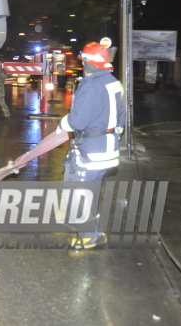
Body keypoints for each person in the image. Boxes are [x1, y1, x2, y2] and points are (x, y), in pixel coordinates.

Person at [57, 42, 125, 248]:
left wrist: (62, 124)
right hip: (107, 150)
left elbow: (77, 121)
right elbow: (121, 117)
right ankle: (95, 231)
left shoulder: (92, 85)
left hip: (90, 152)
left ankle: (87, 237)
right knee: (91, 193)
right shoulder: (113, 82)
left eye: (83, 60)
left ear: (88, 63)